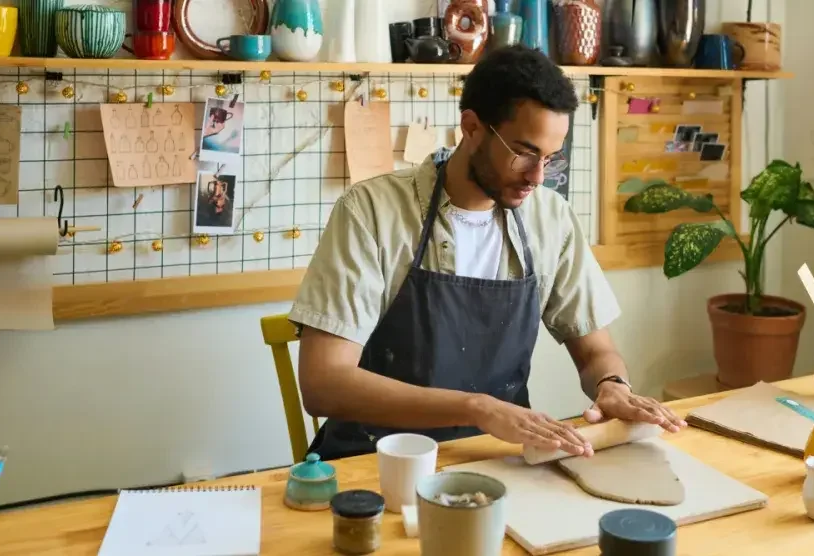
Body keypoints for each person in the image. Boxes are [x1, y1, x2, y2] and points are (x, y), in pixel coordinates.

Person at [289, 45, 686, 461]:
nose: (536, 177)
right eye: (524, 153)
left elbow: (594, 350)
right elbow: (323, 384)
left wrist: (612, 386)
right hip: (379, 459)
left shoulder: (550, 218)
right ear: (472, 127)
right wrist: (476, 408)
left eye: (550, 159)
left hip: (502, 458)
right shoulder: (373, 211)